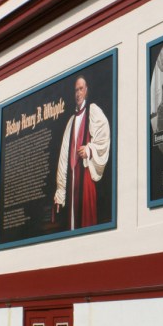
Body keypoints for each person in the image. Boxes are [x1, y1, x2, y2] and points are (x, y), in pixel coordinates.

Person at [54, 76, 110, 229]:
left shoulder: (93, 111)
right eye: (76, 90)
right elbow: (63, 157)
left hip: (85, 177)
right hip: (72, 182)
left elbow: (104, 135)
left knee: (86, 221)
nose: (78, 93)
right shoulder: (71, 121)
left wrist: (90, 149)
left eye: (81, 89)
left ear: (86, 91)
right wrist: (60, 191)